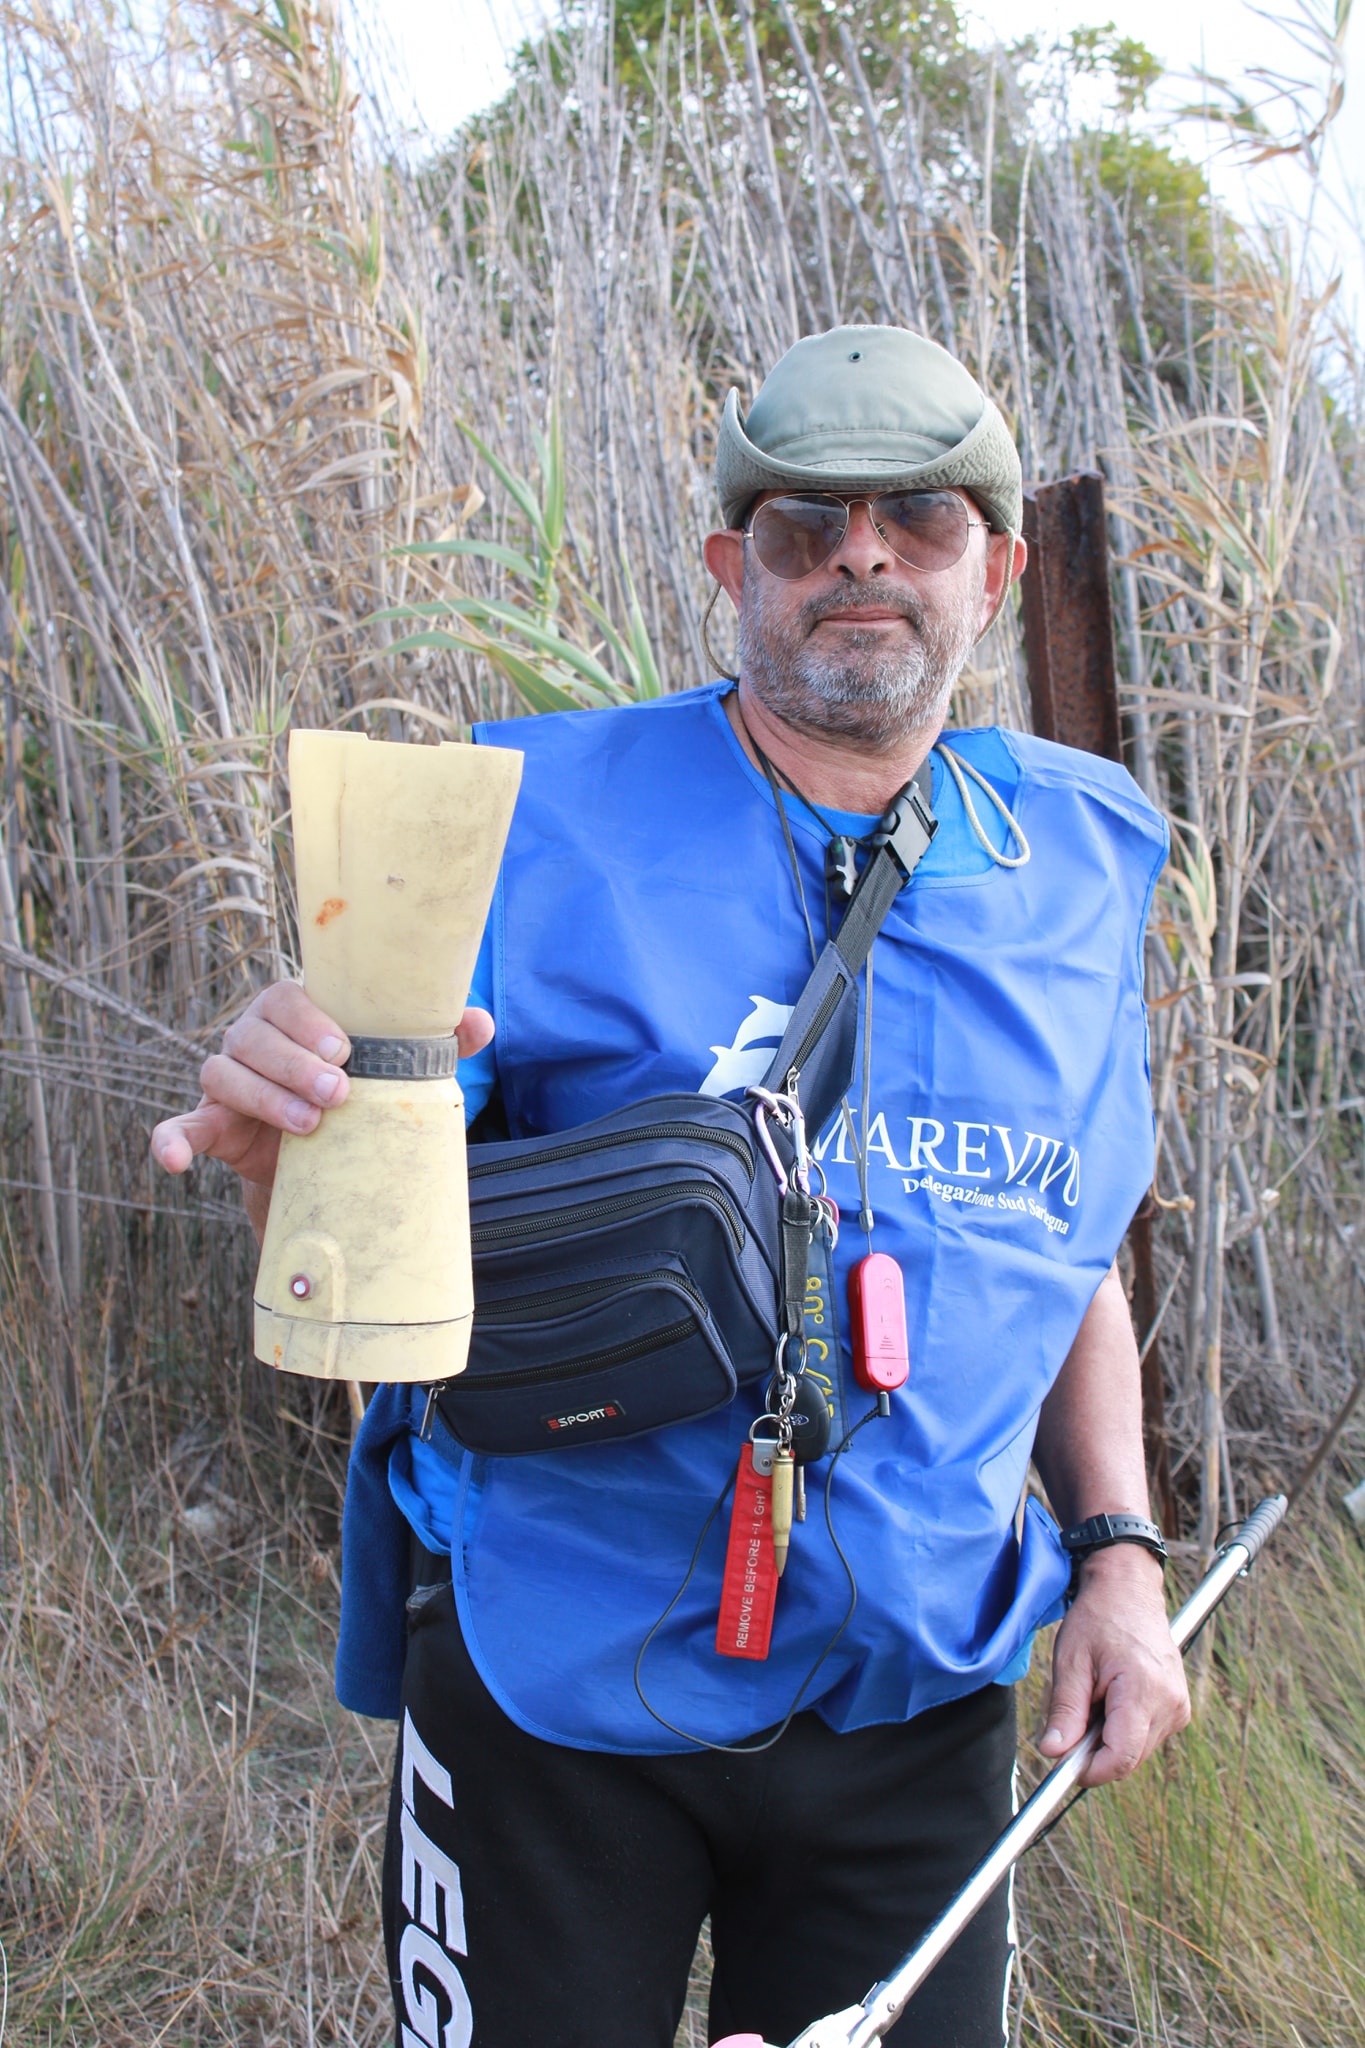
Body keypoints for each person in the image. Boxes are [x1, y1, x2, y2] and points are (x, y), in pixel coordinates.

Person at [153, 326, 1189, 2048]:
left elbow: (1065, 1248)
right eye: (803, 526)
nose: (860, 556)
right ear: (731, 566)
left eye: (920, 519)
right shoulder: (523, 821)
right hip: (558, 1684)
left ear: (998, 570)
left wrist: (1120, 1564)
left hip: (919, 1698)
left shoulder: (1080, 857)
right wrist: (287, 1159)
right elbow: (355, 1274)